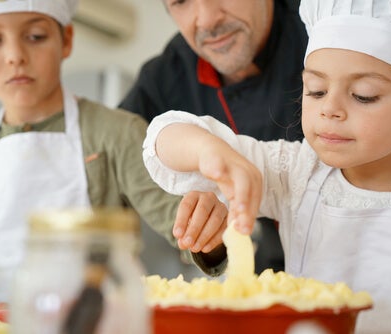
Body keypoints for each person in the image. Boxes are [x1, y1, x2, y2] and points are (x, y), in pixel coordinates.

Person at [142, 0, 391, 332]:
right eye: (317, 90)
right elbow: (162, 138)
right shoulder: (295, 171)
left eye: (363, 95)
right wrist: (212, 152)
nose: (331, 110)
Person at [0, 0, 227, 312]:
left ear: (66, 40)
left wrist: (209, 229)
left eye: (35, 36)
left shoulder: (116, 133)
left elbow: (185, 225)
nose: (15, 56)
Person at [119, 0, 309, 274]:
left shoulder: (322, 27)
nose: (207, 19)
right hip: (268, 278)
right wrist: (204, 228)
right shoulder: (167, 75)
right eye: (181, 1)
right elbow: (134, 152)